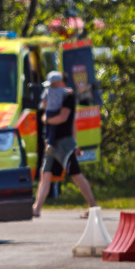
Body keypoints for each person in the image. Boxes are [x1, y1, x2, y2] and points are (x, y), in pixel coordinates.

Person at [33, 71, 98, 217]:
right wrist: (46, 116)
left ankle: (93, 206)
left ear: (59, 83)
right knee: (45, 174)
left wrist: (74, 144)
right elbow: (44, 112)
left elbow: (63, 118)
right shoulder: (50, 95)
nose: (51, 88)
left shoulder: (68, 96)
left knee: (76, 174)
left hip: (64, 143)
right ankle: (37, 208)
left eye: (53, 85)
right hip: (51, 143)